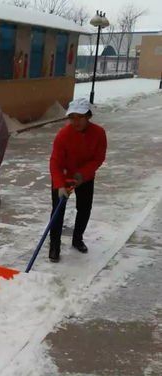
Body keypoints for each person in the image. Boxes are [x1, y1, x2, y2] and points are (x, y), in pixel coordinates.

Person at [48, 97, 107, 262]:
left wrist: (82, 175)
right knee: (57, 211)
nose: (76, 121)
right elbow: (55, 162)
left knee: (84, 209)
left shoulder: (99, 133)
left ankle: (77, 239)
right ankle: (54, 245)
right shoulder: (63, 135)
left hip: (85, 177)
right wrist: (59, 185)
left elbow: (98, 158)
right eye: (72, 117)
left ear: (88, 116)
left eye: (80, 117)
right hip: (64, 175)